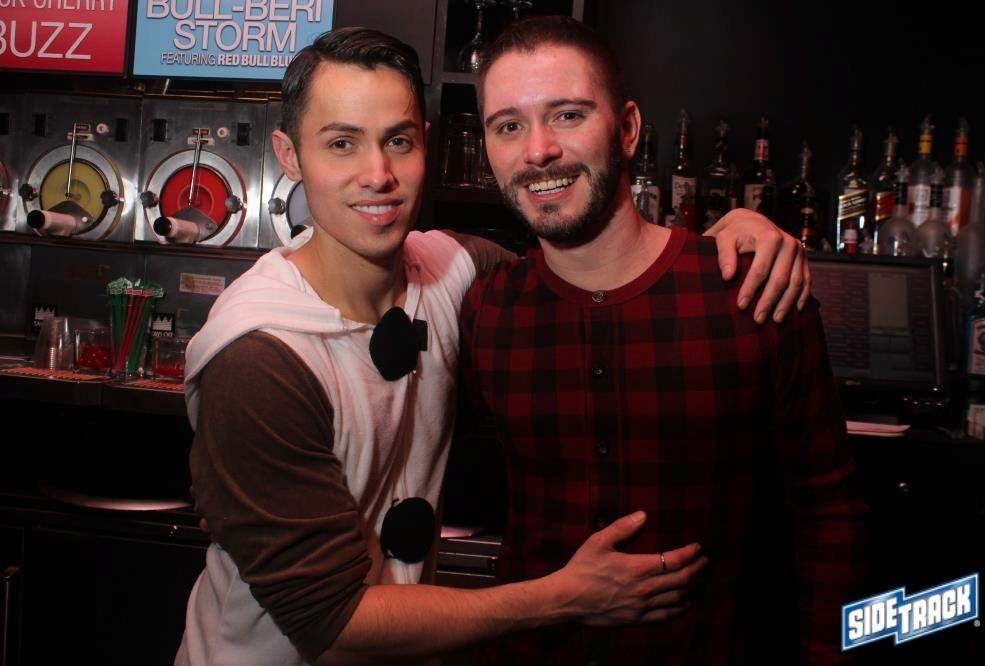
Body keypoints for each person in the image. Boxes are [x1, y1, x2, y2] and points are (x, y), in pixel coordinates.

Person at [176, 27, 815, 666]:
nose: (378, 175)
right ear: (289, 157)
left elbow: (580, 268)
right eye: (341, 143)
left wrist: (730, 236)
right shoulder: (256, 356)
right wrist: (567, 596)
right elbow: (334, 626)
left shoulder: (453, 269)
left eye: (398, 141)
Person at [458, 15, 868, 665]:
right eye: (508, 126)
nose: (538, 150)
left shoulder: (751, 290)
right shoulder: (486, 310)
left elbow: (831, 515)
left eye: (567, 115)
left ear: (627, 129)